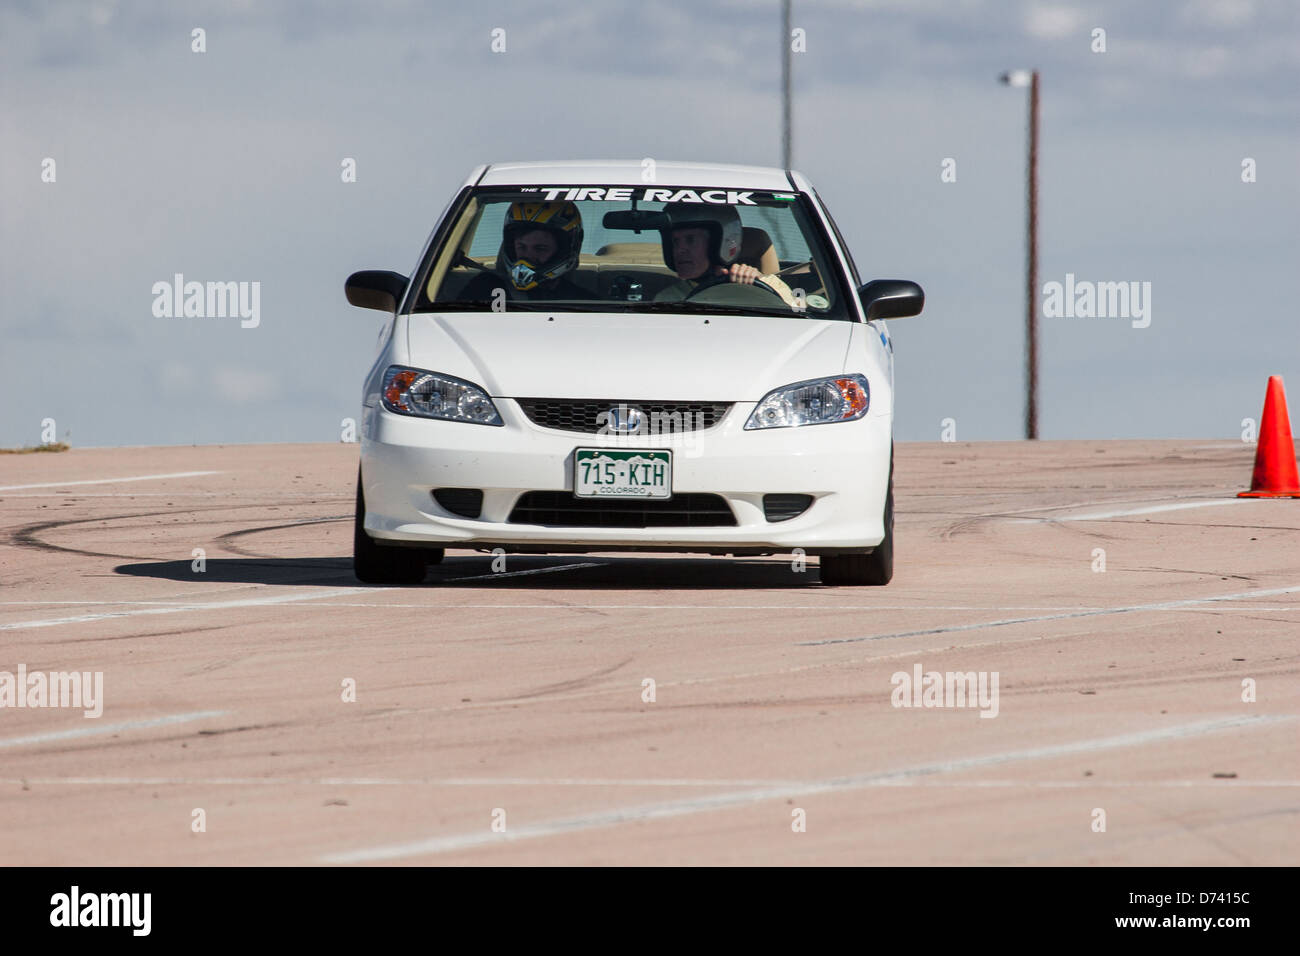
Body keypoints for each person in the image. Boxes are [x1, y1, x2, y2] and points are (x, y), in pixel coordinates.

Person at [654, 202, 797, 307]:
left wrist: (755, 288)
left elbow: (799, 323)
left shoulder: (771, 285)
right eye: (675, 241)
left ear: (720, 242)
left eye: (690, 240)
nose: (679, 250)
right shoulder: (669, 298)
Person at [456, 201, 596, 302]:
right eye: (521, 247)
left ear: (563, 251)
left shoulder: (583, 301)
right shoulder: (482, 288)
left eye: (540, 249)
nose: (528, 256)